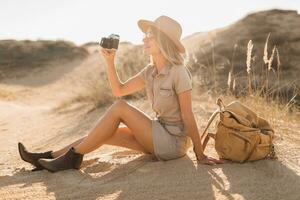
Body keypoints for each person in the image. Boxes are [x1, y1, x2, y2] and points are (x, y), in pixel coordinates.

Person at [18, 15, 222, 173]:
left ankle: (72, 159)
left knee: (120, 108)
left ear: (163, 41)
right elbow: (119, 90)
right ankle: (45, 157)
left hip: (173, 143)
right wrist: (109, 62)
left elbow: (188, 115)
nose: (144, 39)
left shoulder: (178, 72)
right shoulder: (150, 71)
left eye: (150, 35)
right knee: (100, 134)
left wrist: (199, 153)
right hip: (157, 133)